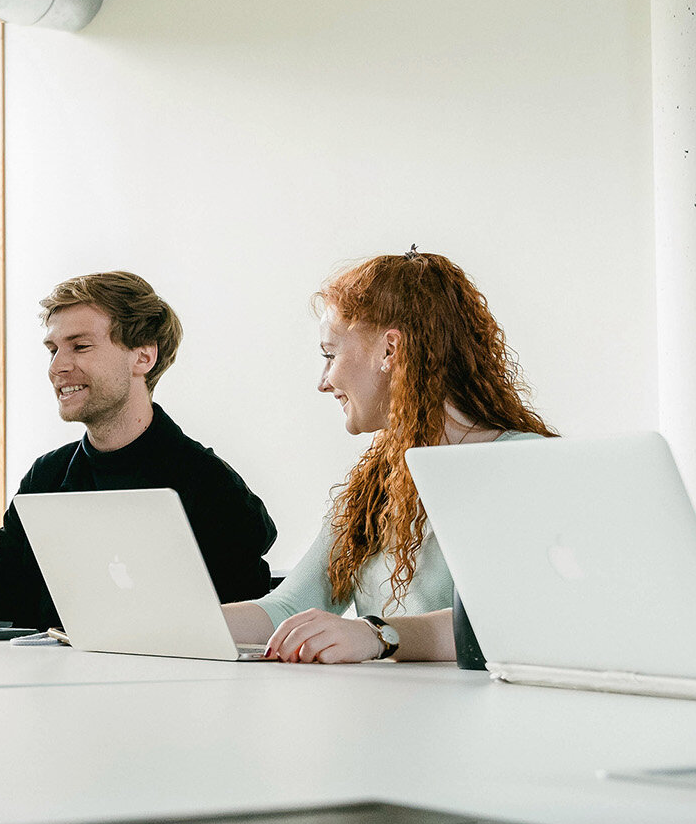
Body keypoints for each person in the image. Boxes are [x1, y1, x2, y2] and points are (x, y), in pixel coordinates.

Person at [223, 250, 552, 664]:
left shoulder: (530, 465)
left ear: (390, 350)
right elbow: (286, 610)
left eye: (330, 354)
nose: (324, 383)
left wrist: (378, 634)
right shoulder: (374, 483)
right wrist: (166, 625)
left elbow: (513, 618)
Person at [0, 271, 275, 628]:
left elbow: (242, 619)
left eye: (80, 346)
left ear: (143, 357)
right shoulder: (47, 477)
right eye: (53, 350)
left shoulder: (206, 483)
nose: (57, 367)